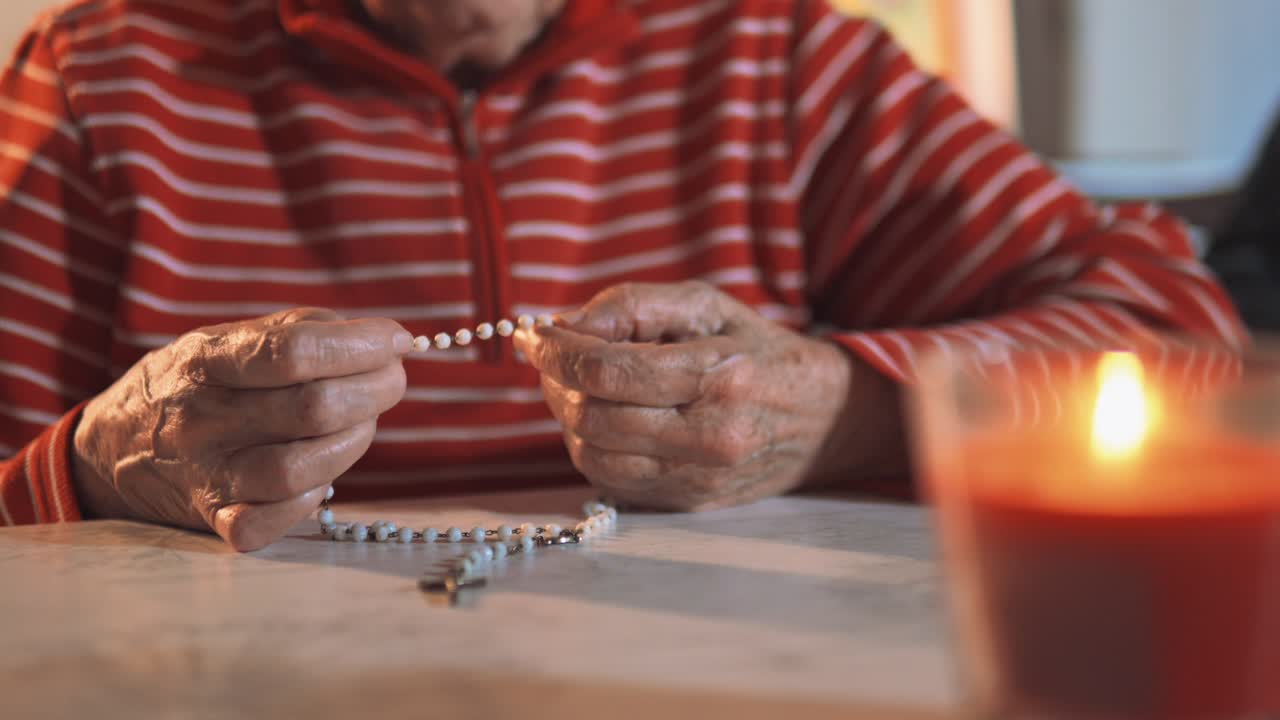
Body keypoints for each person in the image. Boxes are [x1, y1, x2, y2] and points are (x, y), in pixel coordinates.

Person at [0, 0, 1243, 550]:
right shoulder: (102, 77)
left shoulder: (779, 57)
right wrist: (106, 465)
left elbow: (1180, 337)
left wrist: (848, 408)